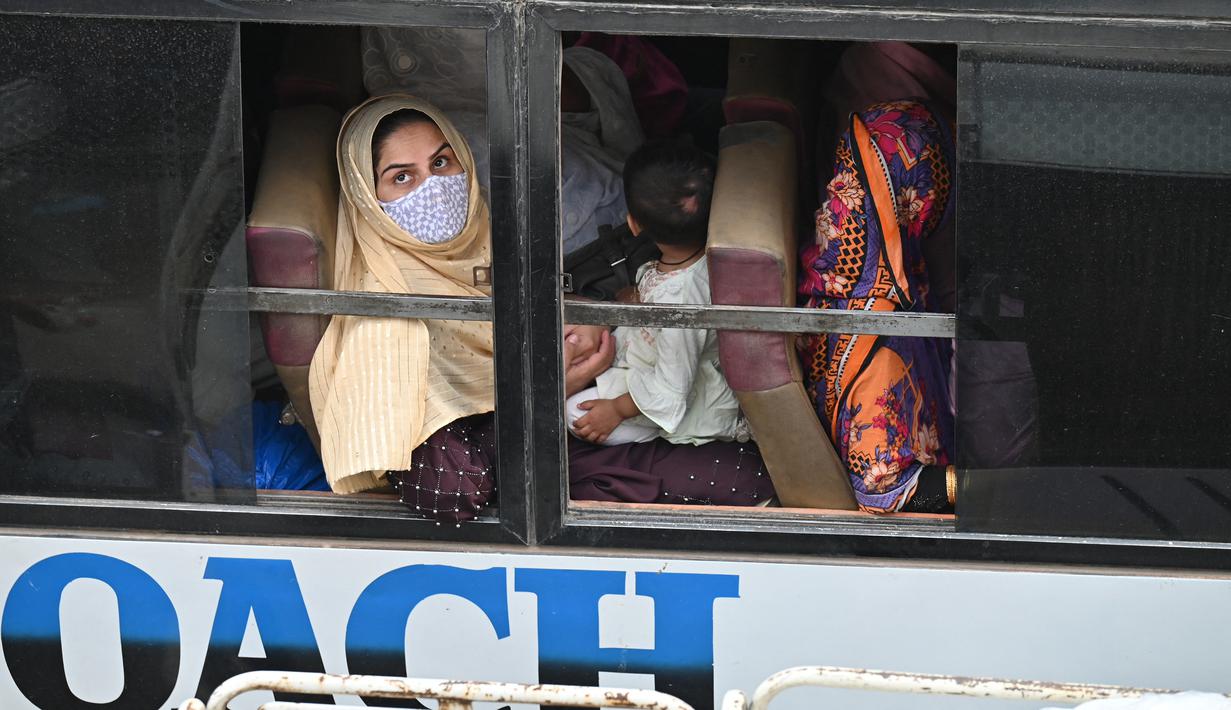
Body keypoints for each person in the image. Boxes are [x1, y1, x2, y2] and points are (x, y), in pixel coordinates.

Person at [309, 95, 496, 525]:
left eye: (441, 163)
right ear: (367, 197)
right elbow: (450, 493)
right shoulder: (385, 317)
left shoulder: (496, 244)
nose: (432, 188)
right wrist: (552, 390)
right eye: (402, 177)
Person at [798, 100, 955, 512]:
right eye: (938, 181)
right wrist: (994, 487)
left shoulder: (849, 261)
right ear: (912, 196)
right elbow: (884, 492)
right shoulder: (877, 350)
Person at [566, 143, 748, 447]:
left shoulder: (680, 304)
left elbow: (672, 389)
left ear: (633, 225)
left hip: (684, 402)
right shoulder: (685, 263)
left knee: (573, 413)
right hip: (645, 361)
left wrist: (616, 409)